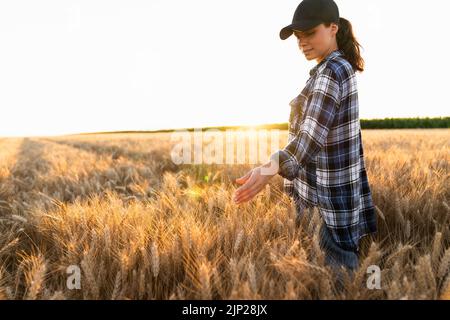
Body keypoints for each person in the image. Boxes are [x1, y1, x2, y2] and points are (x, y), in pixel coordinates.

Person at [233, 0, 377, 283]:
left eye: (309, 33)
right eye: (299, 37)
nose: (302, 42)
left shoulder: (332, 72)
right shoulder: (335, 68)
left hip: (327, 204)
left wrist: (269, 166)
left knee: (339, 286)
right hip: (331, 200)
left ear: (333, 28)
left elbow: (310, 138)